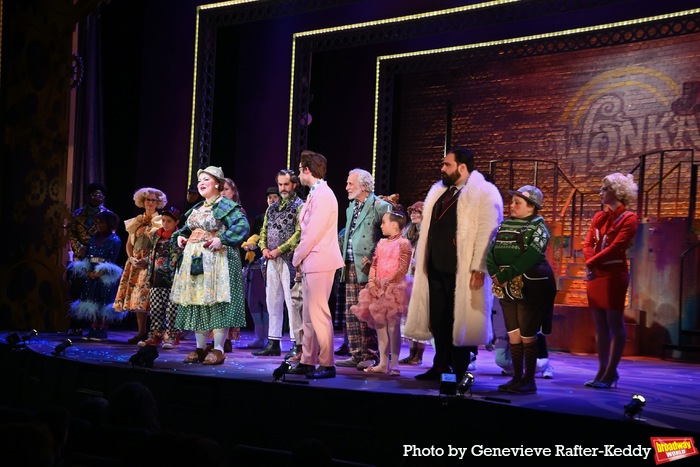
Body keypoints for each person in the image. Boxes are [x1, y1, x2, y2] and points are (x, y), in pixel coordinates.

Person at [404, 146, 503, 382]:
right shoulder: (439, 192)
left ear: (462, 167)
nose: (442, 168)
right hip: (436, 265)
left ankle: (458, 370)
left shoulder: (484, 193)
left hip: (462, 269)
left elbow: (487, 233)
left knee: (459, 320)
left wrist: (480, 267)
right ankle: (440, 365)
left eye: (446, 164)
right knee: (439, 319)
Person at [170, 166, 250, 365]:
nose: (201, 183)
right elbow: (183, 230)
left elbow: (242, 226)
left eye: (206, 179)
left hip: (218, 261)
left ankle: (218, 348)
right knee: (198, 300)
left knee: (217, 302)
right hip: (197, 261)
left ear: (217, 183)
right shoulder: (198, 209)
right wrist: (180, 238)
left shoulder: (225, 206)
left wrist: (222, 239)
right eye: (200, 180)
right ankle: (199, 348)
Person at [487, 185, 557, 394]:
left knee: (528, 334)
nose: (513, 205)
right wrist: (494, 274)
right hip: (506, 286)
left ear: (531, 208)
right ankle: (516, 377)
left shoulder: (538, 228)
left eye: (518, 202)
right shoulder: (503, 226)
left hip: (532, 285)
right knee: (513, 333)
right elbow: (491, 251)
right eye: (513, 201)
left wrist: (506, 275)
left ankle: (529, 380)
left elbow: (531, 256)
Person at [288, 150, 344, 379]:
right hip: (313, 260)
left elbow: (311, 233)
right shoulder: (315, 193)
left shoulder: (324, 195)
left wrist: (296, 256)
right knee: (309, 316)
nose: (298, 174)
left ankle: (327, 363)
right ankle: (308, 359)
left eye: (300, 169)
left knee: (319, 313)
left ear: (307, 170)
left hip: (320, 259)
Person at [582, 173, 639, 389]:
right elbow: (587, 243)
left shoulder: (629, 218)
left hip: (614, 274)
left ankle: (611, 371)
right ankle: (601, 370)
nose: (600, 192)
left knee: (614, 323)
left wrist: (591, 263)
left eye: (604, 189)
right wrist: (591, 263)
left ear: (616, 191)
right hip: (596, 274)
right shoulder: (599, 216)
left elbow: (616, 247)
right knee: (599, 325)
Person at [336, 168, 392, 370]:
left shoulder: (380, 206)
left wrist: (378, 262)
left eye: (350, 184)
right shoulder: (351, 207)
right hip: (350, 264)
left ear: (364, 186)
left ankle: (370, 354)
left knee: (368, 312)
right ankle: (356, 352)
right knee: (353, 311)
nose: (347, 187)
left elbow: (390, 235)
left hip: (369, 267)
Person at [351, 211, 411, 375]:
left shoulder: (404, 244)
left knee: (393, 326)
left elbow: (402, 268)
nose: (381, 225)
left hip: (394, 289)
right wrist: (371, 284)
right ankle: (383, 363)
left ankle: (395, 363)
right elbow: (375, 265)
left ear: (394, 224)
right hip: (377, 289)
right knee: (380, 326)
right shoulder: (381, 243)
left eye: (384, 222)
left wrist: (387, 285)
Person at [254, 171, 304, 358]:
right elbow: (263, 230)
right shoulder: (272, 208)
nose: (283, 188)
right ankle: (273, 341)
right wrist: (264, 248)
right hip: (271, 259)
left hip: (289, 259)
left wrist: (280, 250)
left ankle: (295, 343)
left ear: (294, 185)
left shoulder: (300, 206)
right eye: (280, 185)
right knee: (272, 301)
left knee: (292, 303)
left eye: (286, 184)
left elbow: (299, 233)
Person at [114, 188, 166, 344]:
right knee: (138, 299)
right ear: (142, 202)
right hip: (136, 263)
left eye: (153, 200)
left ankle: (156, 333)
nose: (150, 203)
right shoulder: (136, 221)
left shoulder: (162, 221)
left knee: (152, 298)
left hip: (153, 263)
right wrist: (131, 258)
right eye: (147, 200)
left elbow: (162, 246)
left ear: (158, 203)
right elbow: (130, 244)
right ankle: (141, 332)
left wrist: (148, 260)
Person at [67, 209, 124, 341]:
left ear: (109, 224)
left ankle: (101, 329)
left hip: (104, 276)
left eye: (101, 222)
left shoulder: (114, 240)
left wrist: (100, 273)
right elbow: (88, 257)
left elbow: (111, 259)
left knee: (102, 301)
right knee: (91, 300)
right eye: (97, 222)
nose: (98, 225)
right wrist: (88, 271)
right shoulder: (93, 238)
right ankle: (93, 328)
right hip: (91, 274)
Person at [66, 182, 109, 336]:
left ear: (103, 197)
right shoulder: (78, 214)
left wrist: (92, 249)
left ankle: (94, 326)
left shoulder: (107, 216)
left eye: (99, 194)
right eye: (93, 194)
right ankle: (76, 324)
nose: (96, 197)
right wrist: (79, 249)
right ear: (88, 196)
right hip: (80, 256)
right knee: (76, 288)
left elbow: (109, 237)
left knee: (95, 291)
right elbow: (71, 233)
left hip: (98, 257)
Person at [137, 206, 183, 348]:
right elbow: (153, 254)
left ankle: (171, 337)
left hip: (172, 280)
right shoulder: (157, 235)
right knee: (156, 309)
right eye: (163, 220)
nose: (165, 223)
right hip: (156, 277)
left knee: (172, 310)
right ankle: (155, 335)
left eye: (169, 221)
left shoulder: (180, 236)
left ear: (176, 222)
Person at [399, 201, 430, 365]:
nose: (414, 215)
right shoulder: (409, 234)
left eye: (417, 212)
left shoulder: (429, 234)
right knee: (409, 316)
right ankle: (412, 353)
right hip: (409, 279)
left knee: (421, 317)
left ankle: (419, 354)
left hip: (422, 279)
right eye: (412, 212)